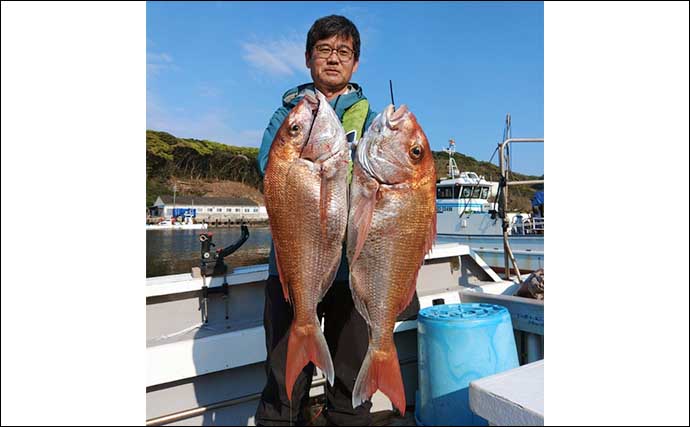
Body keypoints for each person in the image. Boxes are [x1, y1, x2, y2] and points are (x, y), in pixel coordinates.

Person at [255, 15, 378, 426]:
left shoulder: (371, 119)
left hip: (352, 271)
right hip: (293, 265)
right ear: (308, 58)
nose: (332, 59)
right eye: (324, 50)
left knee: (350, 384)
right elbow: (268, 165)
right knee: (283, 386)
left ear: (355, 64)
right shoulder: (288, 113)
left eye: (343, 52)